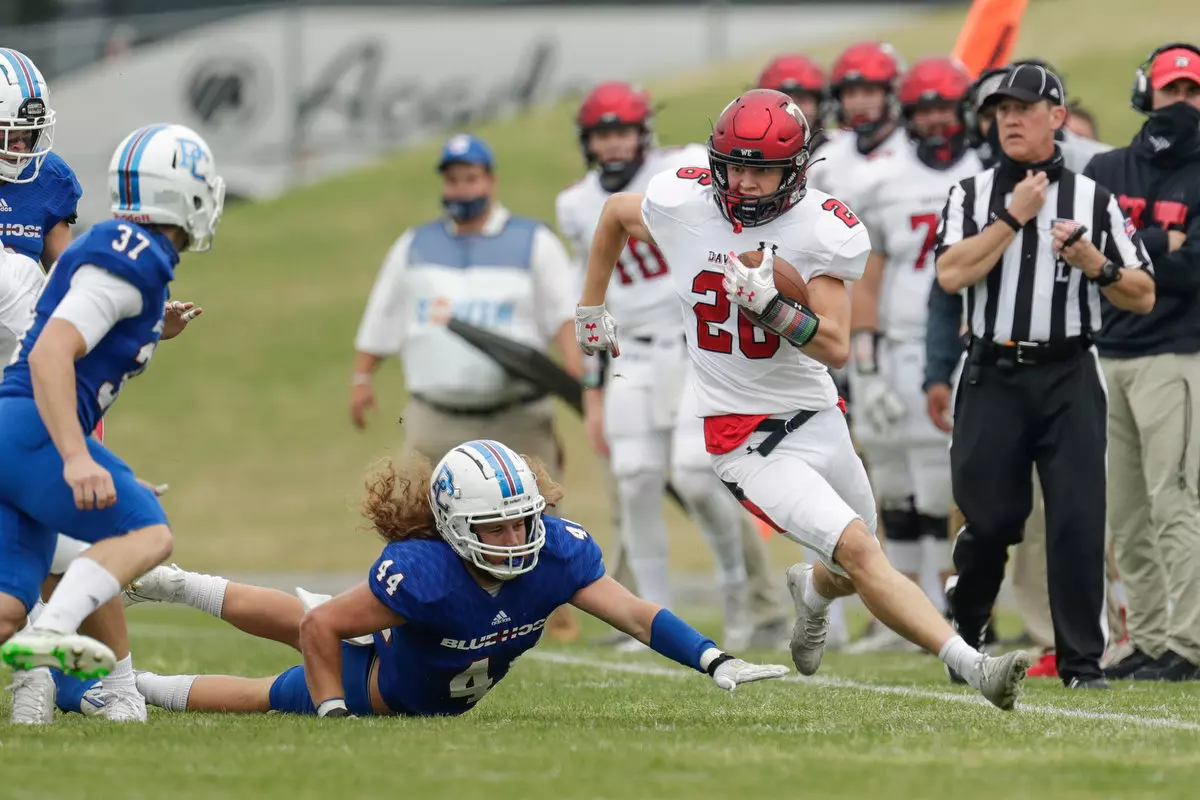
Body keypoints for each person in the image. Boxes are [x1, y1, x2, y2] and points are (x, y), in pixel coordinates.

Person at [576, 88, 1032, 711]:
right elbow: (613, 220)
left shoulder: (822, 227)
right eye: (734, 165)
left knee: (848, 566)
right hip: (741, 434)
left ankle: (811, 595)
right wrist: (591, 304)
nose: (744, 181)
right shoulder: (682, 200)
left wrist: (775, 311)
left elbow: (837, 346)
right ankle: (975, 666)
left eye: (760, 168)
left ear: (794, 169)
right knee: (861, 550)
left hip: (815, 414)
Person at [126, 440, 789, 717]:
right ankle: (134, 680)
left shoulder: (556, 554)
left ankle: (167, 607)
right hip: (385, 684)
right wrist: (332, 711)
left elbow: (638, 617)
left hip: (422, 661)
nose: (513, 538)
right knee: (269, 689)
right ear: (454, 526)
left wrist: (713, 659)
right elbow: (324, 629)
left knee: (315, 614)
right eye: (494, 527)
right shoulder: (426, 572)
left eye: (521, 522)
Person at [935, 64, 1155, 690]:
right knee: (994, 520)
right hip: (992, 372)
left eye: (1025, 108)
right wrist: (1011, 219)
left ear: (1057, 117)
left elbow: (1141, 294)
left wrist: (1095, 263)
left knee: (1079, 521)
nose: (1009, 118)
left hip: (1069, 374)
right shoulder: (970, 195)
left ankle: (1083, 665)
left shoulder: (1095, 200)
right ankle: (969, 631)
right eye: (1002, 109)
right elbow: (951, 276)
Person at [0, 121, 225, 706]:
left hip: (18, 432)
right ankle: (53, 632)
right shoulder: (136, 256)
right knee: (148, 532)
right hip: (35, 432)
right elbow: (52, 349)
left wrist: (153, 327)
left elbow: (86, 323)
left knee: (4, 612)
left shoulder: (119, 252)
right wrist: (77, 457)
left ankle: (39, 627)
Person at [557, 82, 777, 650]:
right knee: (634, 479)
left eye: (621, 131)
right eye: (602, 134)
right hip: (630, 352)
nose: (612, 145)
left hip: (695, 345)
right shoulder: (575, 204)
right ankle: (648, 621)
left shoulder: (680, 171)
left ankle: (739, 603)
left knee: (698, 478)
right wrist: (593, 387)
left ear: (643, 134)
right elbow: (592, 283)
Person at [349, 133, 583, 642]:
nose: (461, 187)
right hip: (436, 412)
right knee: (415, 511)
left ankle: (556, 612)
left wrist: (575, 372)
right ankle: (408, 607)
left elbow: (562, 314)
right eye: (453, 179)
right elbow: (383, 314)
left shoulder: (532, 241)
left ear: (491, 181)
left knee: (538, 509)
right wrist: (362, 375)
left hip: (516, 411)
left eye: (471, 177)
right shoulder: (414, 246)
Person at [844, 57, 981, 653]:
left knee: (933, 479)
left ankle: (936, 602)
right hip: (898, 342)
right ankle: (898, 614)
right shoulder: (882, 178)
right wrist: (866, 363)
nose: (933, 119)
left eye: (943, 106)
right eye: (923, 107)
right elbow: (868, 278)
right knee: (893, 481)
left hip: (967, 340)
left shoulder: (987, 168)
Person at [1085, 43, 1200, 682]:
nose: (1180, 103)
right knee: (1126, 514)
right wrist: (1160, 243)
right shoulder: (1106, 168)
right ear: (1145, 93)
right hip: (1111, 354)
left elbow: (1194, 270)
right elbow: (1084, 254)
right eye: (1171, 91)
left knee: (1176, 504)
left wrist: (1127, 254)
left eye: (1191, 92)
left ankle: (1189, 642)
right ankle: (1149, 638)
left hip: (1178, 356)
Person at [0, 48, 81, 270]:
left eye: (27, 134)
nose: (20, 148)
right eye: (6, 135)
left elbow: (66, 280)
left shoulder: (49, 177)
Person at [808, 41, 908, 203]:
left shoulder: (913, 151)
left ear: (892, 94)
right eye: (850, 93)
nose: (858, 103)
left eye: (869, 92)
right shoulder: (827, 158)